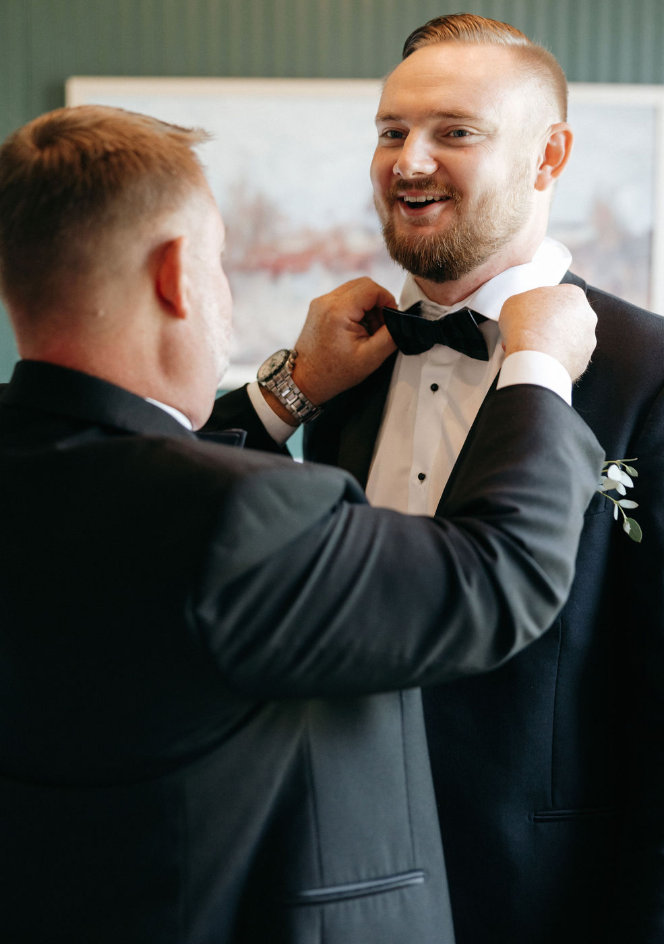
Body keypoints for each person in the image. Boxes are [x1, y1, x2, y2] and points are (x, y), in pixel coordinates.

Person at [0, 105, 603, 944]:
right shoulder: (242, 516)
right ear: (176, 273)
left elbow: (140, 479)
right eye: (219, 260)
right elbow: (497, 577)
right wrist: (538, 370)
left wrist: (290, 391)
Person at [209, 13, 664, 944]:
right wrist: (294, 387)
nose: (408, 161)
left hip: (552, 901)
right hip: (327, 886)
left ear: (549, 157)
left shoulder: (649, 375)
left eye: (455, 131)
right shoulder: (339, 362)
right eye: (390, 131)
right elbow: (192, 524)